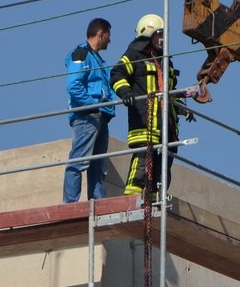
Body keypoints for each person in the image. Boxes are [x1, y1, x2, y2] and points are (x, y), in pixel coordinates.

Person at [109, 13, 191, 199]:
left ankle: (154, 199)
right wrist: (125, 92)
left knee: (163, 167)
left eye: (164, 35)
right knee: (142, 164)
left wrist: (181, 108)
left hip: (166, 127)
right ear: (148, 35)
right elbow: (117, 74)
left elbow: (170, 90)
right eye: (158, 34)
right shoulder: (134, 55)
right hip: (145, 122)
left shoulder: (166, 61)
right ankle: (131, 200)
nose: (162, 39)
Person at [63, 17, 116, 203]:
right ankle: (70, 205)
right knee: (79, 161)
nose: (110, 39)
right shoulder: (82, 55)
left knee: (97, 165)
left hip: (100, 116)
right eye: (109, 35)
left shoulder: (98, 60)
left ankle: (98, 204)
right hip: (87, 116)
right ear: (101, 34)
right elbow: (73, 85)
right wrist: (92, 106)